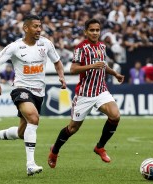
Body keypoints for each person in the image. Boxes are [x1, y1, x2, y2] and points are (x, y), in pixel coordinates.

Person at [0, 15, 66, 176]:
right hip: (21, 89)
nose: (39, 29)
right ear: (26, 28)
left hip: (39, 92)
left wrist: (61, 75)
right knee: (33, 119)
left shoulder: (46, 44)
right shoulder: (15, 47)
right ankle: (30, 164)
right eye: (35, 26)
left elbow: (57, 61)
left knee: (22, 132)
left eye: (40, 26)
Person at [48, 18, 124, 168]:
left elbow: (102, 65)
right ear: (86, 32)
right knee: (72, 129)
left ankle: (100, 147)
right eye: (92, 30)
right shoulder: (80, 48)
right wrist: (91, 65)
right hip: (85, 94)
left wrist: (114, 73)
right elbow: (73, 69)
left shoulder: (102, 46)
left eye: (97, 30)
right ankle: (54, 151)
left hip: (101, 90)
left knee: (115, 115)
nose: (95, 33)